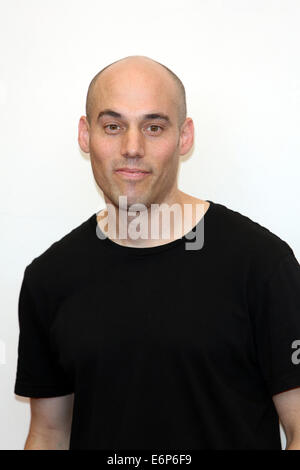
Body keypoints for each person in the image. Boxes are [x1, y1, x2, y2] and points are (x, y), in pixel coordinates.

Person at [14, 55, 300, 450]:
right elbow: (48, 434)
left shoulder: (262, 265)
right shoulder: (49, 279)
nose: (132, 148)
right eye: (113, 126)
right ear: (85, 135)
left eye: (154, 127)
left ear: (184, 137)